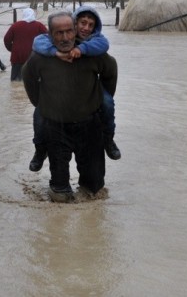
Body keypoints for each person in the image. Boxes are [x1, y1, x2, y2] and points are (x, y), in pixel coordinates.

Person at [22, 11, 118, 203]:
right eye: (59, 33)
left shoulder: (91, 53)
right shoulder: (41, 56)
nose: (65, 38)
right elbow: (28, 75)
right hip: (55, 125)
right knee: (59, 193)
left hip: (90, 124)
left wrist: (99, 98)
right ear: (50, 34)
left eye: (69, 31)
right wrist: (40, 103)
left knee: (94, 189)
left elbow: (110, 70)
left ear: (75, 30)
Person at [3, 8, 48, 81]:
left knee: (15, 82)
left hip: (17, 57)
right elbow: (48, 38)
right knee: (32, 81)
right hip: (33, 57)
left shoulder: (15, 25)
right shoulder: (39, 25)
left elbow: (6, 39)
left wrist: (12, 49)